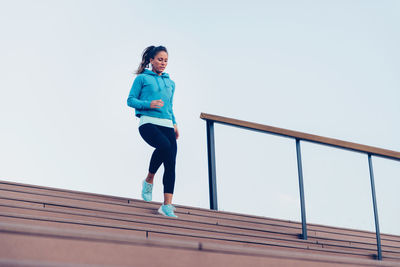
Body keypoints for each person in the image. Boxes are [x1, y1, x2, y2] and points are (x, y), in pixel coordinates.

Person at [127, 45, 179, 218]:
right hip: (148, 123)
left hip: (167, 123)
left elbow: (170, 106)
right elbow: (130, 100)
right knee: (164, 146)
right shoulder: (142, 79)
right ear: (151, 60)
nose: (163, 63)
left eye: (165, 60)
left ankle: (167, 205)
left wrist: (175, 123)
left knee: (171, 162)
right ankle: (149, 179)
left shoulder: (170, 83)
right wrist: (148, 104)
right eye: (159, 59)